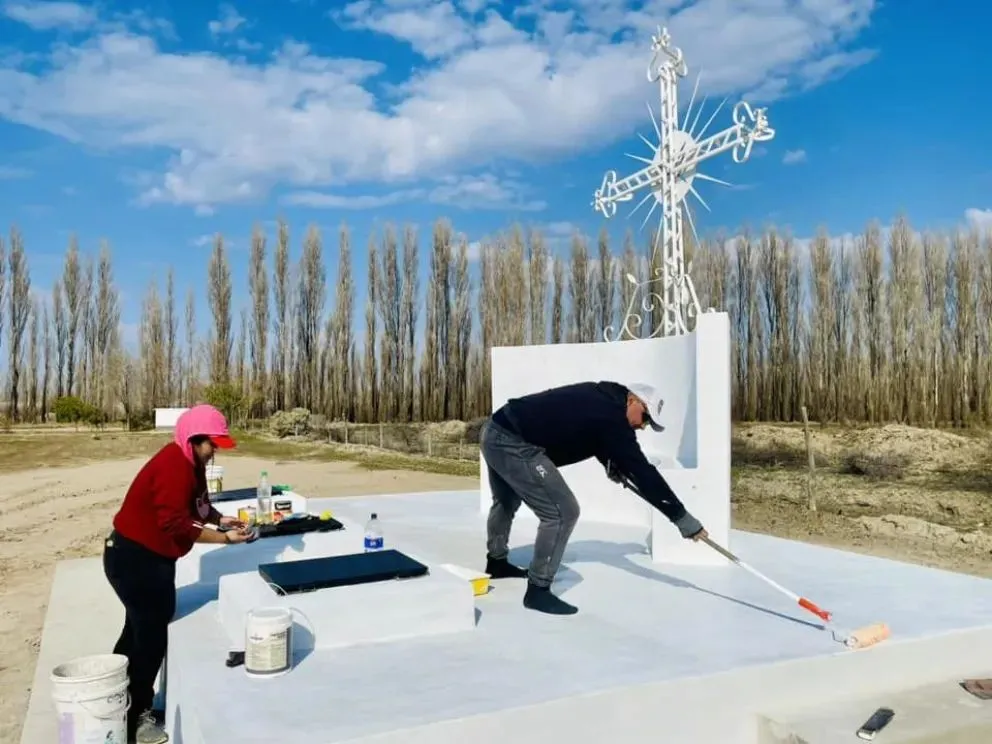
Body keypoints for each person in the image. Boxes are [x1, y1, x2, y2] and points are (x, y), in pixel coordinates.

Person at [481, 380, 707, 616]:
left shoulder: (603, 398)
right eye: (645, 417)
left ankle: (496, 561)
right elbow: (643, 472)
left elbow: (592, 435)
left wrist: (613, 464)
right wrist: (681, 518)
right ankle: (538, 590)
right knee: (563, 512)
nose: (642, 426)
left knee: (506, 501)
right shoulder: (612, 417)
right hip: (513, 444)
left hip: (494, 430)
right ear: (633, 400)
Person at [103, 404, 255, 744]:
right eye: (212, 443)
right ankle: (135, 717)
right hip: (134, 559)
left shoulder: (192, 463)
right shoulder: (174, 465)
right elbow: (174, 522)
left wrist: (220, 519)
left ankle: (114, 699)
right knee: (150, 637)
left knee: (138, 632)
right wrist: (223, 539)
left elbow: (195, 506)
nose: (215, 449)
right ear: (193, 438)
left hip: (148, 559)